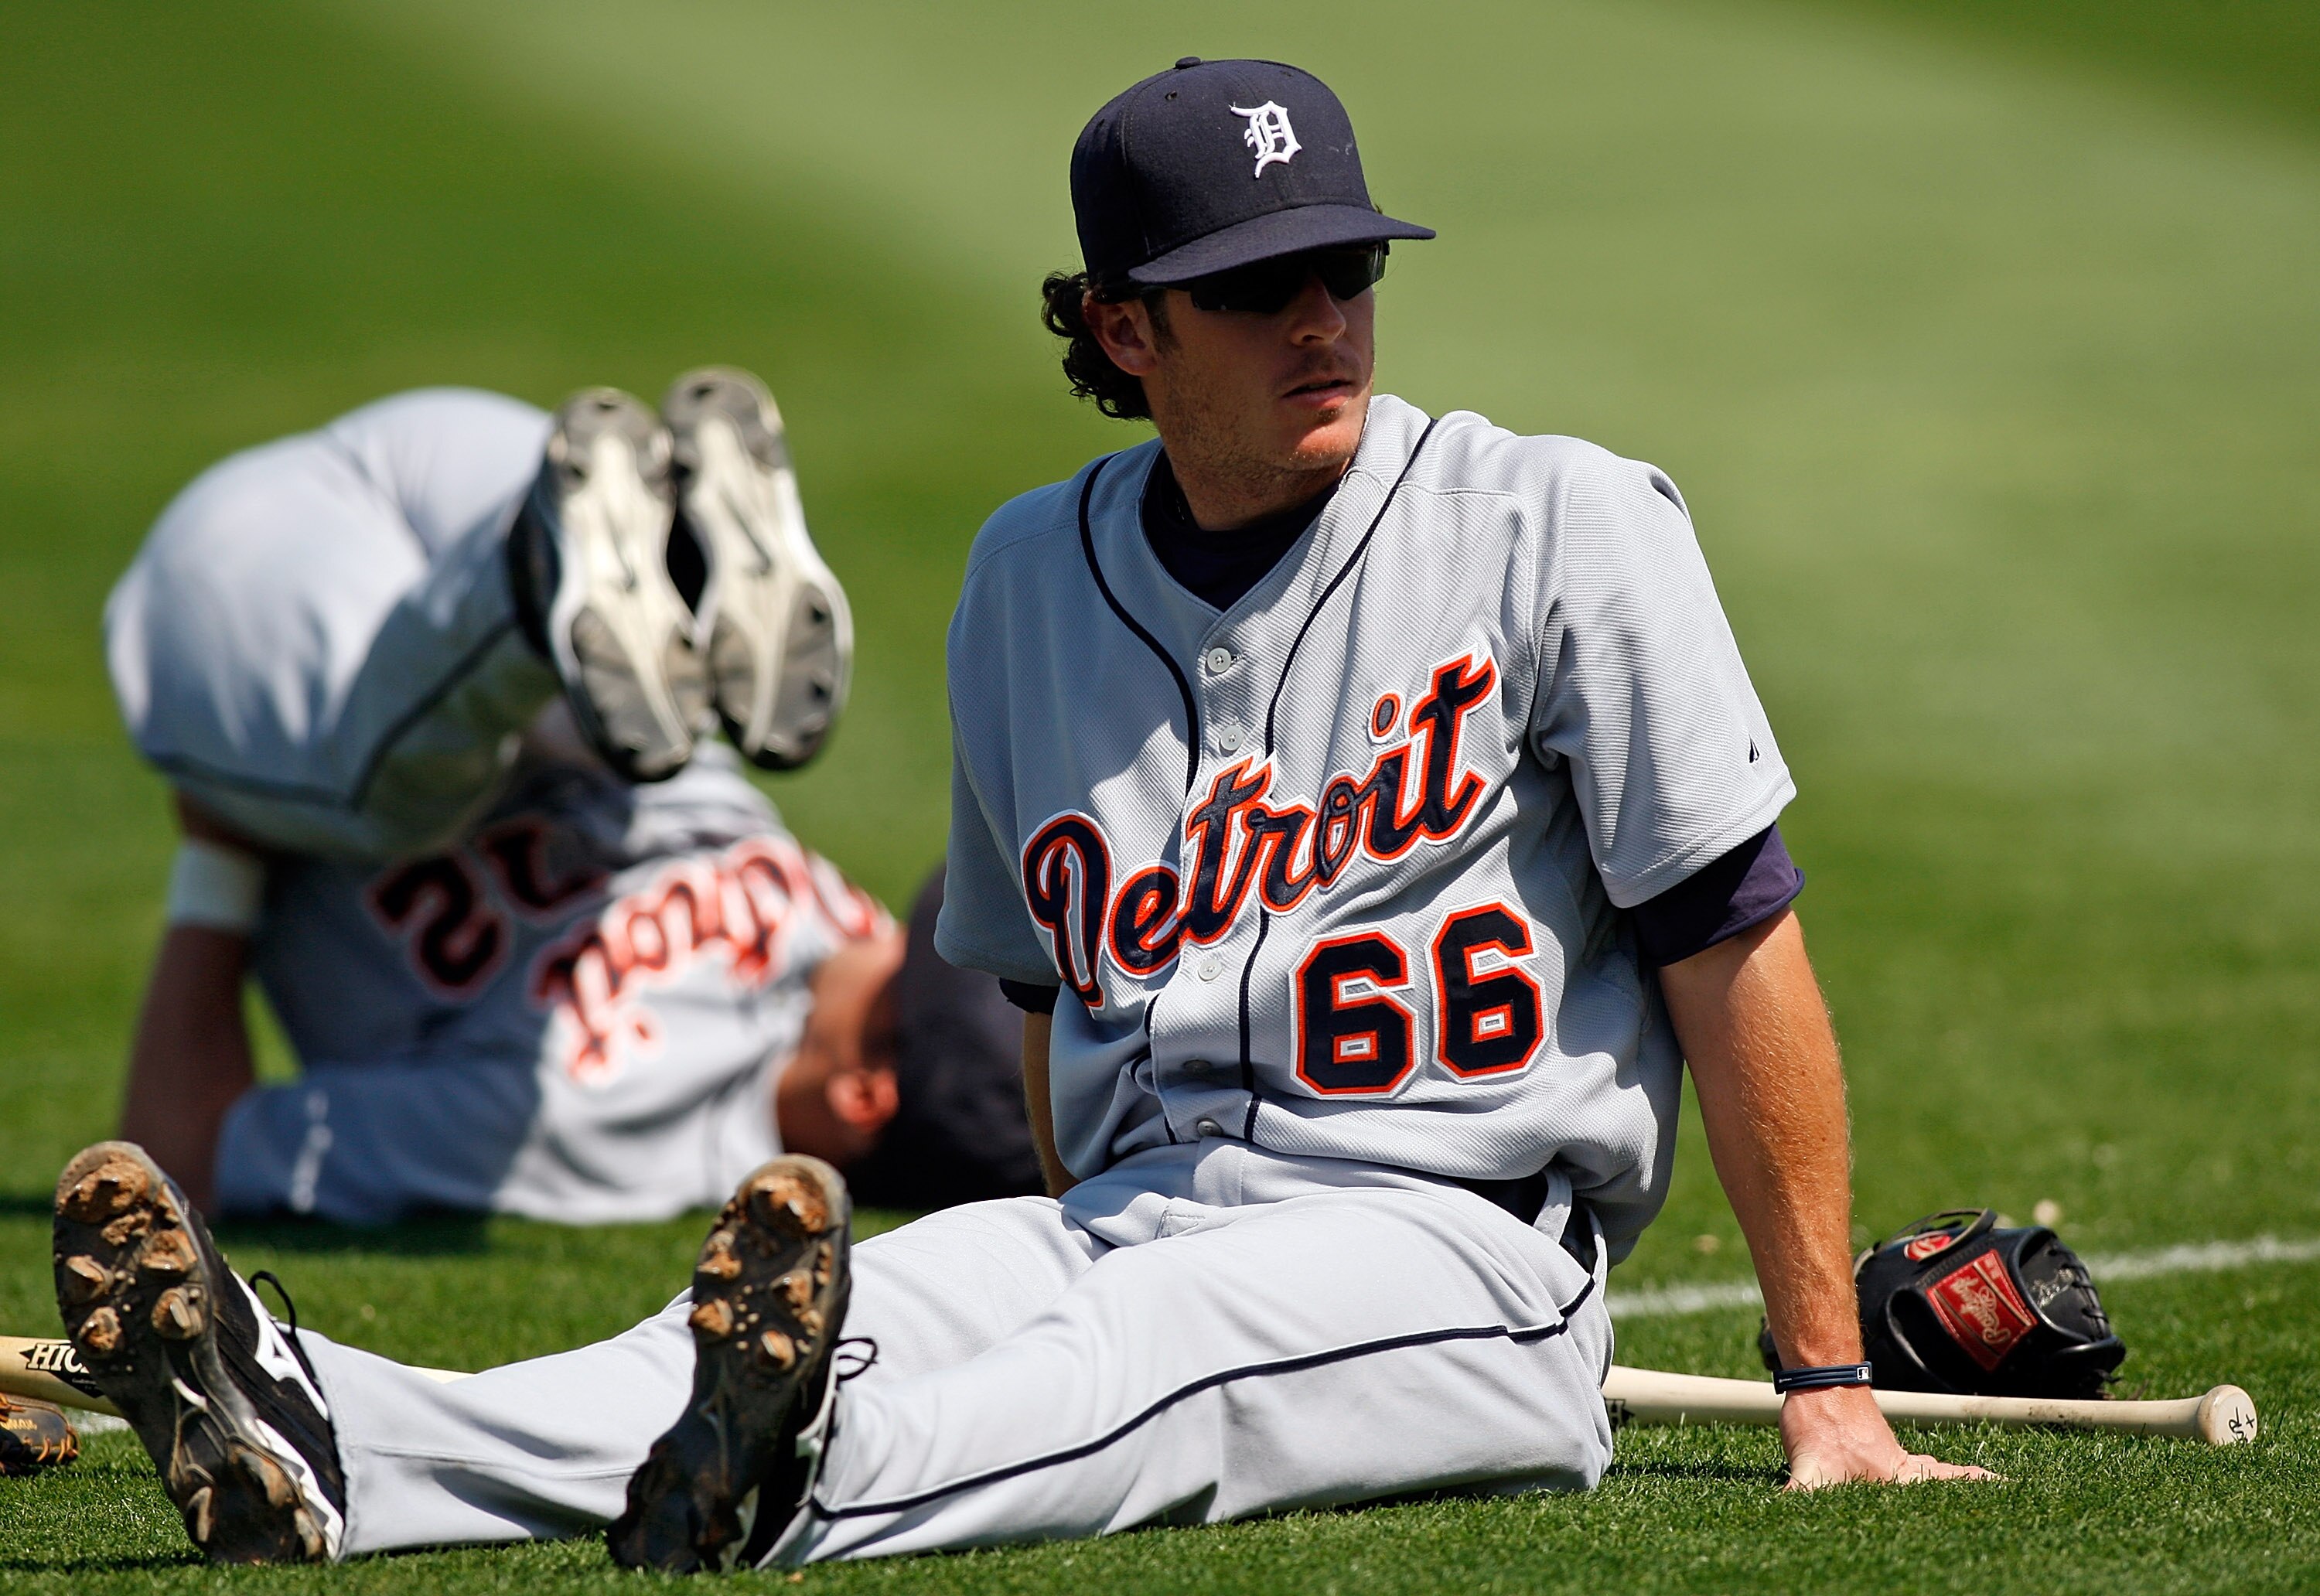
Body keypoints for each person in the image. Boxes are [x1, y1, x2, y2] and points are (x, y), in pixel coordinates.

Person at [53, 60, 1987, 1574]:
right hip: (1130, 1205)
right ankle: (331, 1435)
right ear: (1120, 326)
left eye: (1348, 267)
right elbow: (1048, 1000)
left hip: (1454, 1246)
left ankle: (797, 1477)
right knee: (826, 1308)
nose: (1322, 316)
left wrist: (1825, 1378)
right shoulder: (1024, 583)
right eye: (1255, 285)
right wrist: (1066, 1225)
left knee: (1139, 1370)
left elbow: (1733, 937)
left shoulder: (1555, 524)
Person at [101, 377, 1039, 1223]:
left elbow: (192, 1167)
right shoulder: (831, 936)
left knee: (408, 800)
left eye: (906, 962)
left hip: (276, 618)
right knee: (600, 733)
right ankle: (620, 567)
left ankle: (556, 588)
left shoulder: (616, 1131)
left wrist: (218, 867)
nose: (877, 928)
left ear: (864, 1093)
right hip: (455, 487)